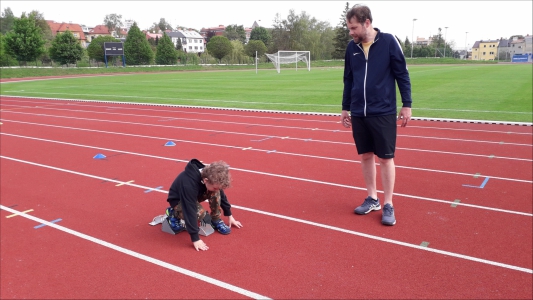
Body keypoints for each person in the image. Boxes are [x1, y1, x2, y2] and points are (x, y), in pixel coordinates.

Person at [340, 4, 412, 226]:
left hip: (383, 111)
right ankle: (372, 198)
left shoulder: (389, 42)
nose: (351, 32)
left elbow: (402, 74)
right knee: (365, 156)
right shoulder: (351, 48)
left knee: (386, 158)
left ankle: (388, 203)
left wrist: (407, 104)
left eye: (353, 27)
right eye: (349, 28)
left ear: (366, 23)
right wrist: (345, 107)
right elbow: (348, 79)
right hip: (359, 112)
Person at [165, 159, 242, 251]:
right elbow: (190, 209)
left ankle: (216, 220)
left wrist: (229, 215)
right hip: (179, 200)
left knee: (215, 192)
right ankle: (174, 213)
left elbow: (221, 194)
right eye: (215, 187)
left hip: (196, 195)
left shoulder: (212, 177)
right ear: (205, 180)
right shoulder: (189, 184)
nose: (216, 188)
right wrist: (195, 238)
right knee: (200, 214)